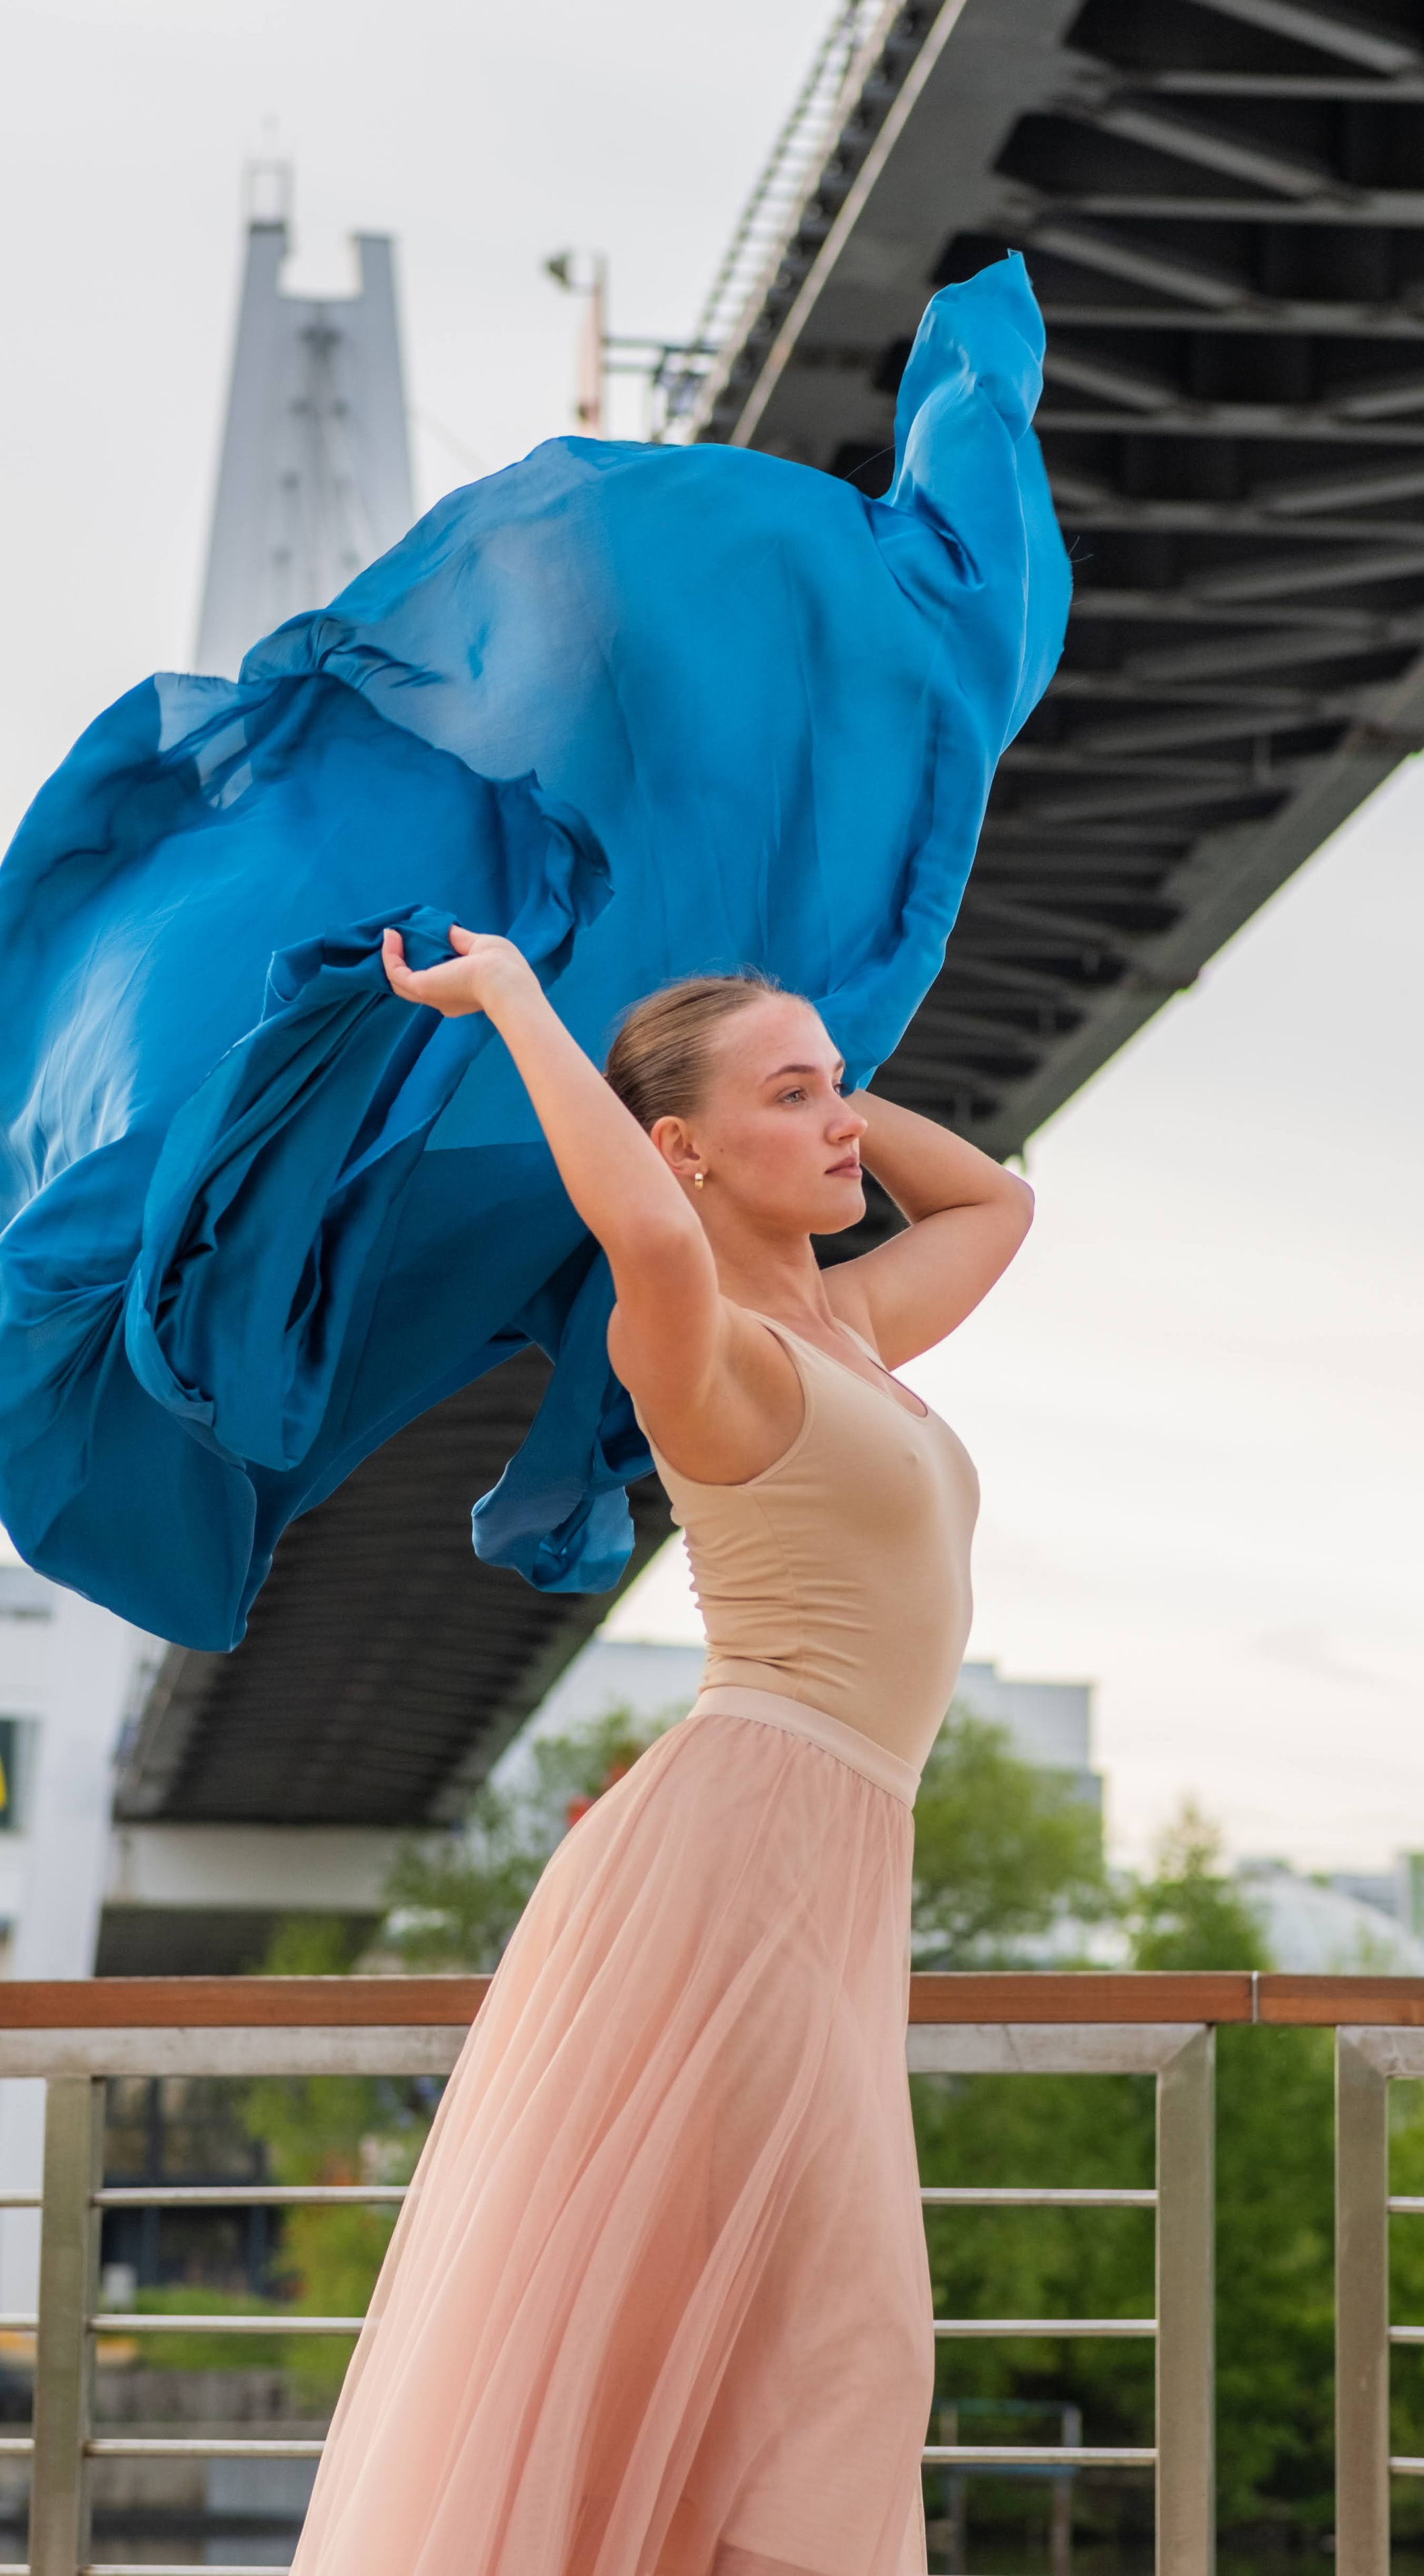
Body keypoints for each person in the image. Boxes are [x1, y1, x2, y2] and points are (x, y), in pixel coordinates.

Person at [289, 925, 1034, 2576]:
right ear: (683, 1147)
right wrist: (510, 1003)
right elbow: (637, 1221)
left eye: (840, 1088)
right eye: (795, 1096)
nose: (843, 1123)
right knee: (844, 2336)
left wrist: (822, 1094)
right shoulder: (707, 1356)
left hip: (831, 1864)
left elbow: (996, 1203)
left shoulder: (845, 1329)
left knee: (764, 2346)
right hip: (743, 1855)